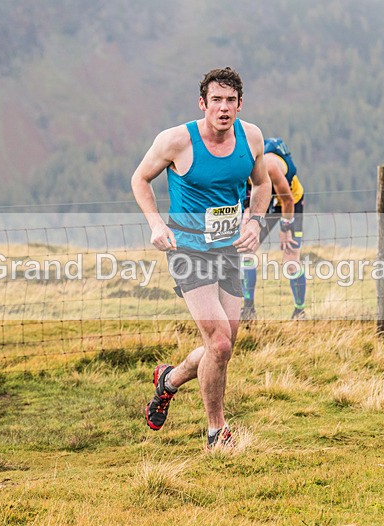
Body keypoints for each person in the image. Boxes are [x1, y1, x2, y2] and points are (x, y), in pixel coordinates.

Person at [131, 67, 271, 450]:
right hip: (188, 250)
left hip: (229, 250)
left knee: (222, 346)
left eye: (230, 101)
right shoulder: (176, 141)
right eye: (216, 101)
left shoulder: (252, 138)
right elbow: (140, 179)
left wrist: (255, 222)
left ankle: (168, 381)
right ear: (203, 104)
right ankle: (216, 432)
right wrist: (157, 224)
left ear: (240, 104)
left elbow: (263, 184)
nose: (223, 108)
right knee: (220, 344)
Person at [240, 137, 307, 320]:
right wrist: (247, 215)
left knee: (291, 258)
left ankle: (299, 311)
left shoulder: (269, 166)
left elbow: (287, 201)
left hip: (290, 201)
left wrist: (285, 229)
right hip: (264, 201)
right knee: (247, 248)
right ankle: (248, 309)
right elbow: (245, 197)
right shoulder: (239, 169)